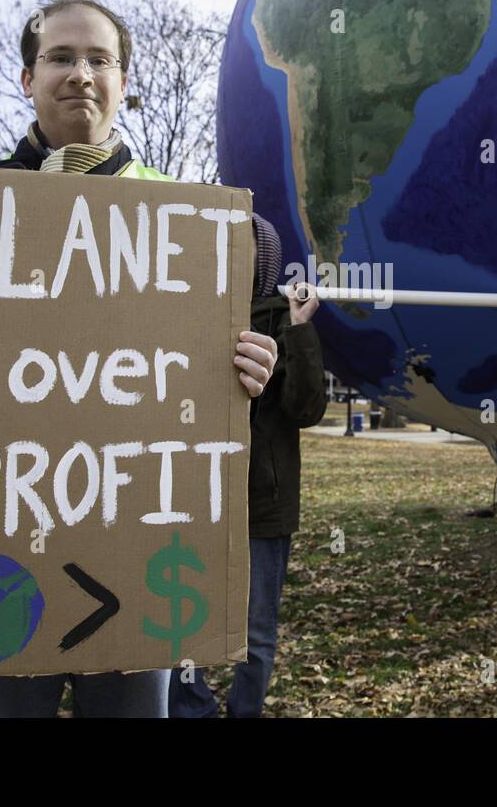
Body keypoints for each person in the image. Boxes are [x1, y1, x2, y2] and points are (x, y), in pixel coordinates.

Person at [0, 0, 280, 718]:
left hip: (137, 550)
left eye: (99, 59)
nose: (80, 74)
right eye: (60, 57)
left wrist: (248, 368)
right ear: (27, 78)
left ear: (125, 83)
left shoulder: (180, 214)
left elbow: (235, 333)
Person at [169, 216, 327, 717]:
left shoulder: (285, 317)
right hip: (189, 499)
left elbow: (307, 409)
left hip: (263, 505)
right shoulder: (188, 312)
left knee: (255, 633)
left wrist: (300, 330)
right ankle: (195, 711)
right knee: (175, 626)